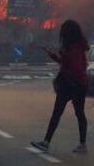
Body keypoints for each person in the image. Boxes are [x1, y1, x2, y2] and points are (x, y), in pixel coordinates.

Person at [31, 20, 90, 153]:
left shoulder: (74, 49)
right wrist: (54, 56)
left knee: (62, 113)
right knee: (76, 113)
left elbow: (75, 68)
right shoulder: (76, 47)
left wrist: (63, 63)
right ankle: (82, 144)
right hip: (77, 84)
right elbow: (67, 63)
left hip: (73, 85)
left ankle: (47, 142)